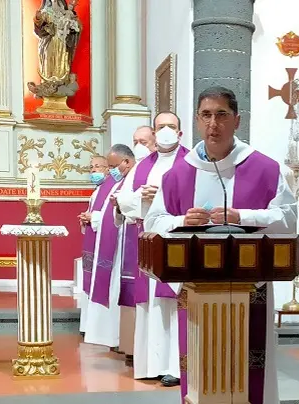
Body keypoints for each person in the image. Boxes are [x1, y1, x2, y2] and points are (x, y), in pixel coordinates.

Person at [144, 86, 297, 404]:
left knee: (250, 368)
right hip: (196, 289)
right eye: (206, 115)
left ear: (237, 120)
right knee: (204, 363)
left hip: (250, 286)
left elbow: (289, 219)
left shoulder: (264, 169)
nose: (214, 123)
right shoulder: (178, 174)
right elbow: (153, 223)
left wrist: (244, 215)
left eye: (222, 115)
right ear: (198, 121)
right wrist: (182, 222)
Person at [114, 113, 189, 385]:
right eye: (161, 127)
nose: (166, 131)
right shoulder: (143, 165)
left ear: (180, 132)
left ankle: (177, 367)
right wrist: (140, 197)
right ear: (154, 134)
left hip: (178, 240)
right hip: (148, 240)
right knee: (151, 305)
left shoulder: (192, 162)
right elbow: (123, 201)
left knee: (175, 304)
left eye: (172, 126)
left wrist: (161, 199)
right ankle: (152, 364)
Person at [109, 125, 156, 367]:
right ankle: (132, 346)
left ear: (155, 141)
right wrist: (122, 204)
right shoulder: (134, 171)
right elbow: (124, 202)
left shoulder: (163, 166)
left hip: (156, 236)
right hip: (133, 233)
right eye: (135, 141)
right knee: (132, 289)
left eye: (144, 141)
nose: (140, 146)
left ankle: (153, 354)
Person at [84, 144, 136, 349]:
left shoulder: (126, 181)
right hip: (114, 239)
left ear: (126, 162)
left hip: (127, 242)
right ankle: (112, 336)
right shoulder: (115, 183)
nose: (110, 170)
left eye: (111, 165)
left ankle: (117, 337)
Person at [78, 156, 113, 335]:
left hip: (104, 243)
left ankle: (96, 328)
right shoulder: (97, 190)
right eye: (91, 167)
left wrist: (94, 218)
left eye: (98, 166)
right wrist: (86, 217)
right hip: (93, 240)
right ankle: (88, 326)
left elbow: (111, 215)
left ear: (108, 168)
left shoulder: (111, 187)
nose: (93, 170)